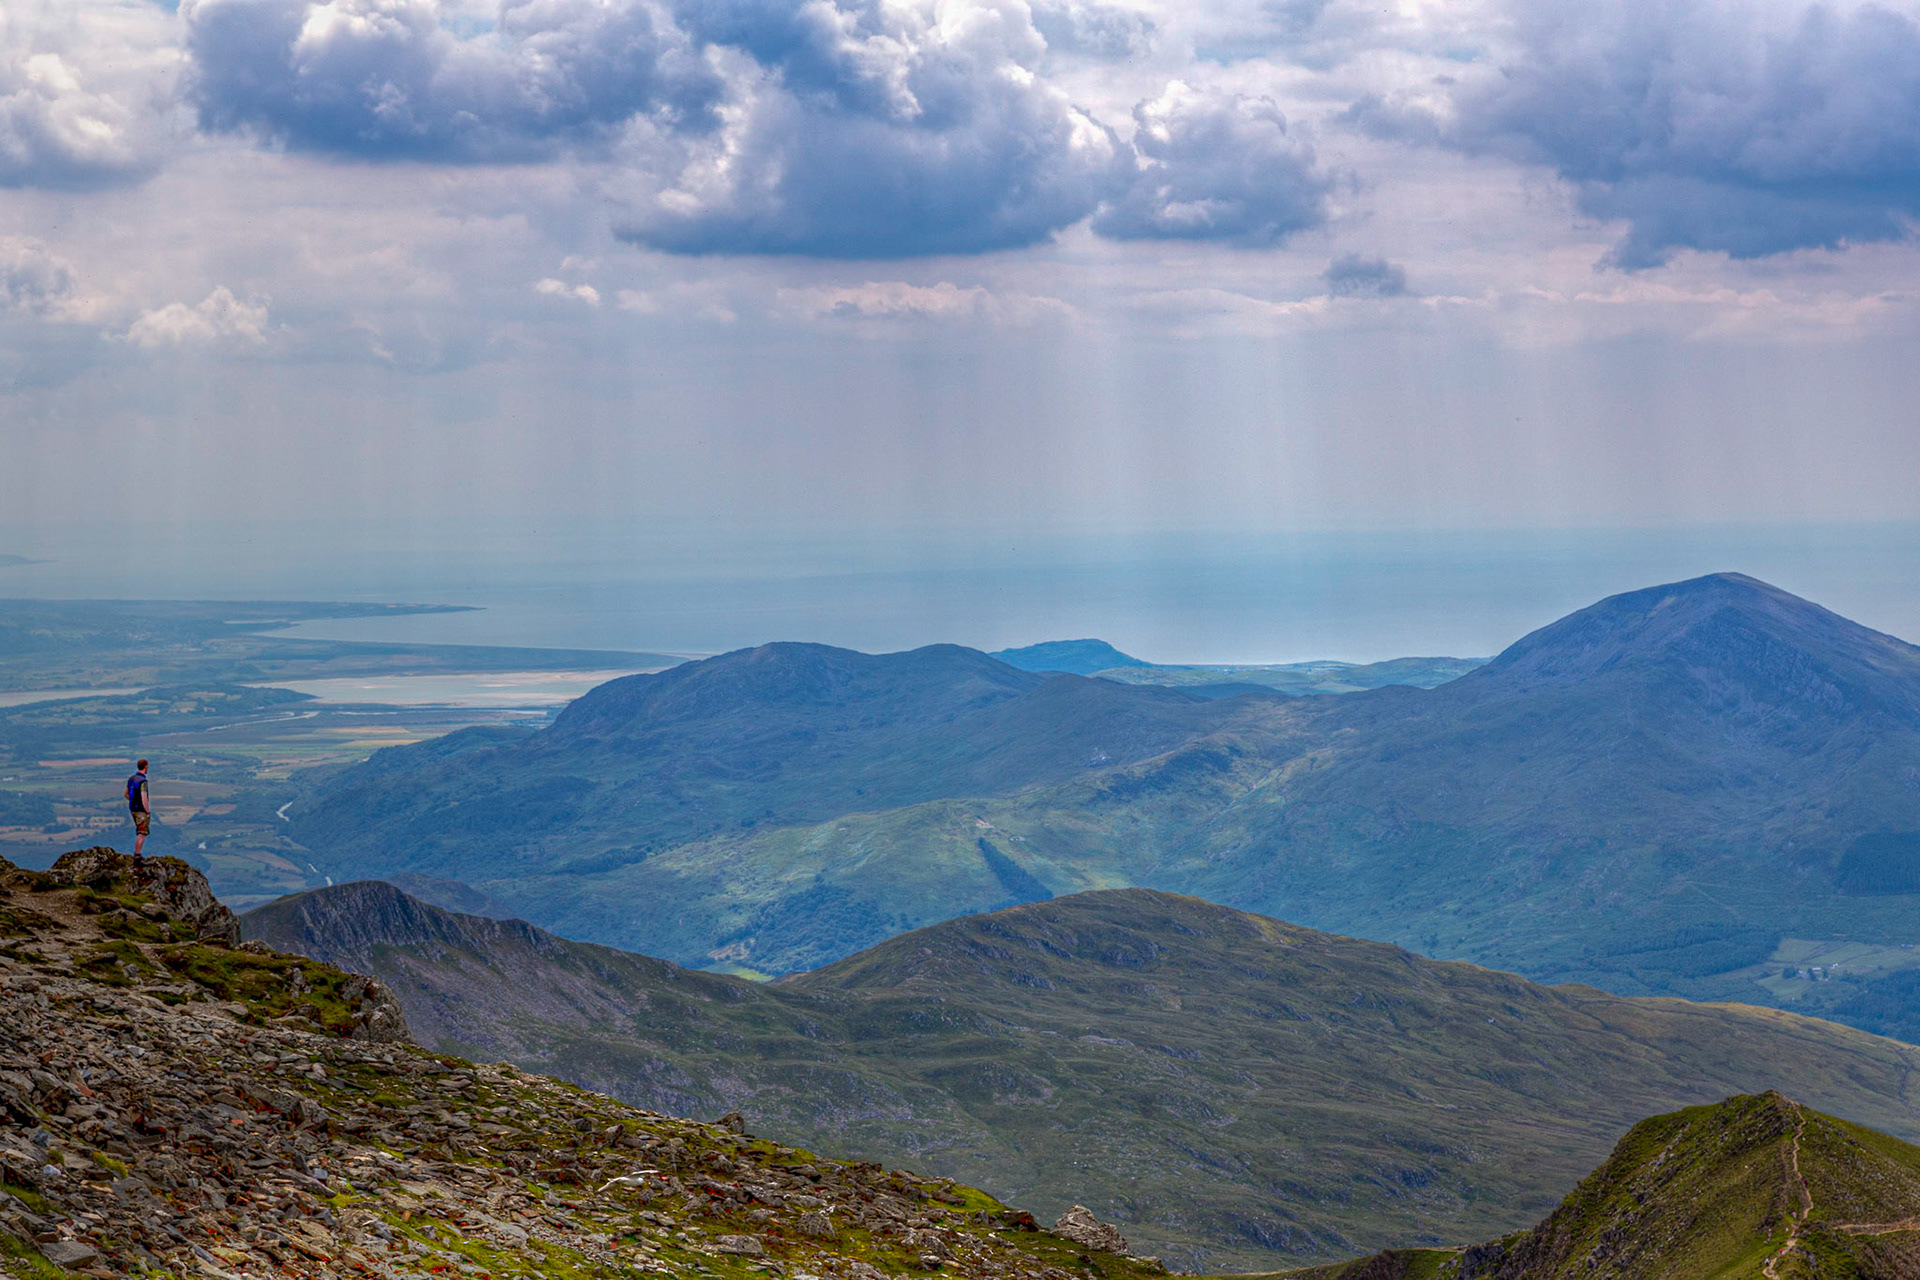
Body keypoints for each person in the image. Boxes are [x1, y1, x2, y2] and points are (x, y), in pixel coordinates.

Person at [126, 759, 151, 857]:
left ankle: (137, 854)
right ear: (146, 766)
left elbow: (126, 794)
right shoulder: (143, 781)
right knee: (142, 833)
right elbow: (144, 797)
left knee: (140, 831)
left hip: (133, 809)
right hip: (141, 810)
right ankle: (137, 854)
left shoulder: (131, 779)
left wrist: (133, 801)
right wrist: (147, 811)